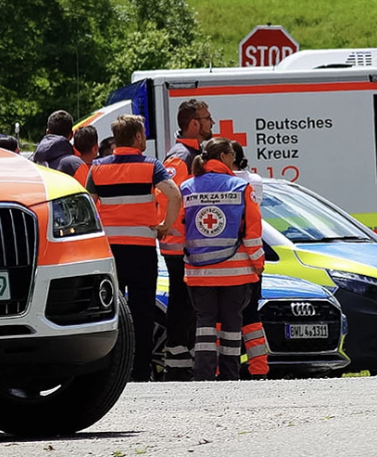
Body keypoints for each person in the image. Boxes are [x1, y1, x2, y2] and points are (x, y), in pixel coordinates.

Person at [86, 115, 182, 382]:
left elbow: (88, 204)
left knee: (110, 311)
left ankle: (111, 371)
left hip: (110, 252)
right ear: (138, 137)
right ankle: (140, 372)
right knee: (142, 313)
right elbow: (174, 194)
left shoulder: (97, 168)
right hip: (141, 250)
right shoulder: (151, 166)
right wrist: (165, 224)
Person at [182, 137, 265, 381]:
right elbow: (252, 232)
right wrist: (258, 264)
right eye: (231, 154)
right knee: (231, 325)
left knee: (205, 325)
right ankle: (229, 376)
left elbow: (179, 230)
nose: (234, 159)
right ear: (223, 157)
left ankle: (204, 375)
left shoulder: (186, 188)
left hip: (199, 273)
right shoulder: (240, 188)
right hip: (235, 273)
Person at [157, 99, 216, 380]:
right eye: (206, 118)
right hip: (179, 246)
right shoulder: (180, 157)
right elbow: (167, 197)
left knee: (190, 303)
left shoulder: (194, 153)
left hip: (189, 245)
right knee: (182, 302)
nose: (211, 123)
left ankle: (183, 354)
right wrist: (184, 227)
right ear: (194, 123)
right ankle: (177, 358)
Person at [230, 141, 268, 378]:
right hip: (250, 260)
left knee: (222, 318)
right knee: (252, 316)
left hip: (221, 262)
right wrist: (258, 261)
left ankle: (223, 368)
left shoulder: (214, 184)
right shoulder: (254, 182)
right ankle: (259, 369)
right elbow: (253, 227)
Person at [33, 110, 83, 177]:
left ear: (47, 132)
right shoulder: (75, 164)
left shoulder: (30, 162)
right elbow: (85, 187)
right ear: (71, 135)